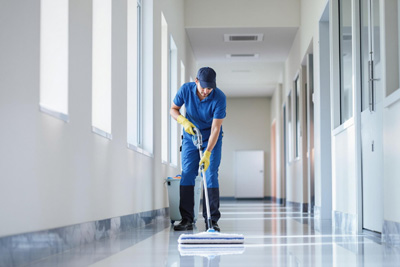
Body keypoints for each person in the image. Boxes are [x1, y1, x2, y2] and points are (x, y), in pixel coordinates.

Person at [170, 67, 226, 232]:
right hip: (190, 137)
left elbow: (216, 129)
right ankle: (186, 219)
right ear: (196, 81)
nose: (207, 91)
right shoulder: (186, 90)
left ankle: (212, 220)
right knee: (187, 173)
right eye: (203, 87)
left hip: (211, 138)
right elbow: (173, 109)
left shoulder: (219, 97)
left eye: (210, 88)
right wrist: (184, 122)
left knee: (210, 174)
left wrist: (207, 153)